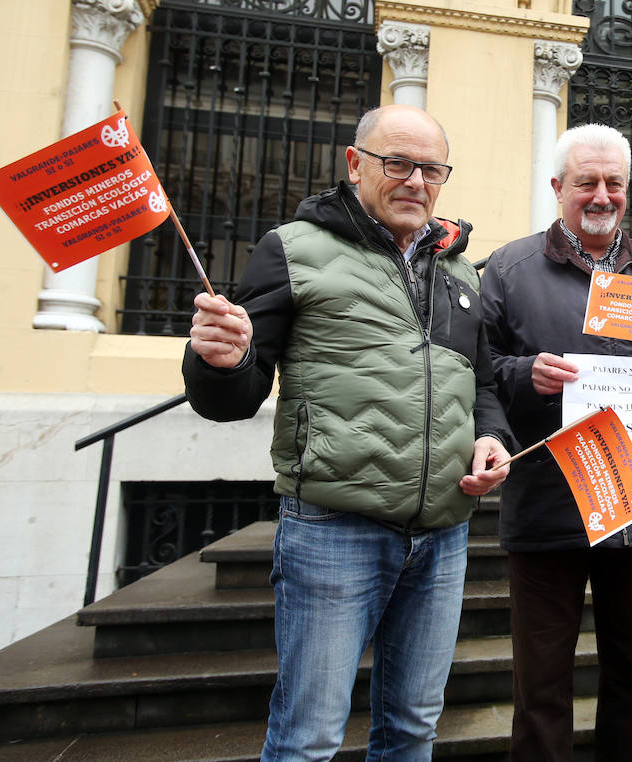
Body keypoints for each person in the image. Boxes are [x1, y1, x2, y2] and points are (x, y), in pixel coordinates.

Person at [183, 104, 513, 761]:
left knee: (413, 731)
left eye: (431, 169)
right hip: (332, 531)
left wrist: (491, 436)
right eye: (398, 163)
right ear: (355, 165)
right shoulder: (294, 250)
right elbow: (234, 395)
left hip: (443, 537)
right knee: (309, 739)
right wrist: (220, 360)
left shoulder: (456, 271)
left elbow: (479, 384)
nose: (416, 180)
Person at [479, 123, 632, 762]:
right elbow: (476, 373)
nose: (602, 196)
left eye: (615, 184)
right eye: (586, 183)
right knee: (542, 685)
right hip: (548, 502)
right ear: (557, 188)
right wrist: (527, 375)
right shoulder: (511, 269)